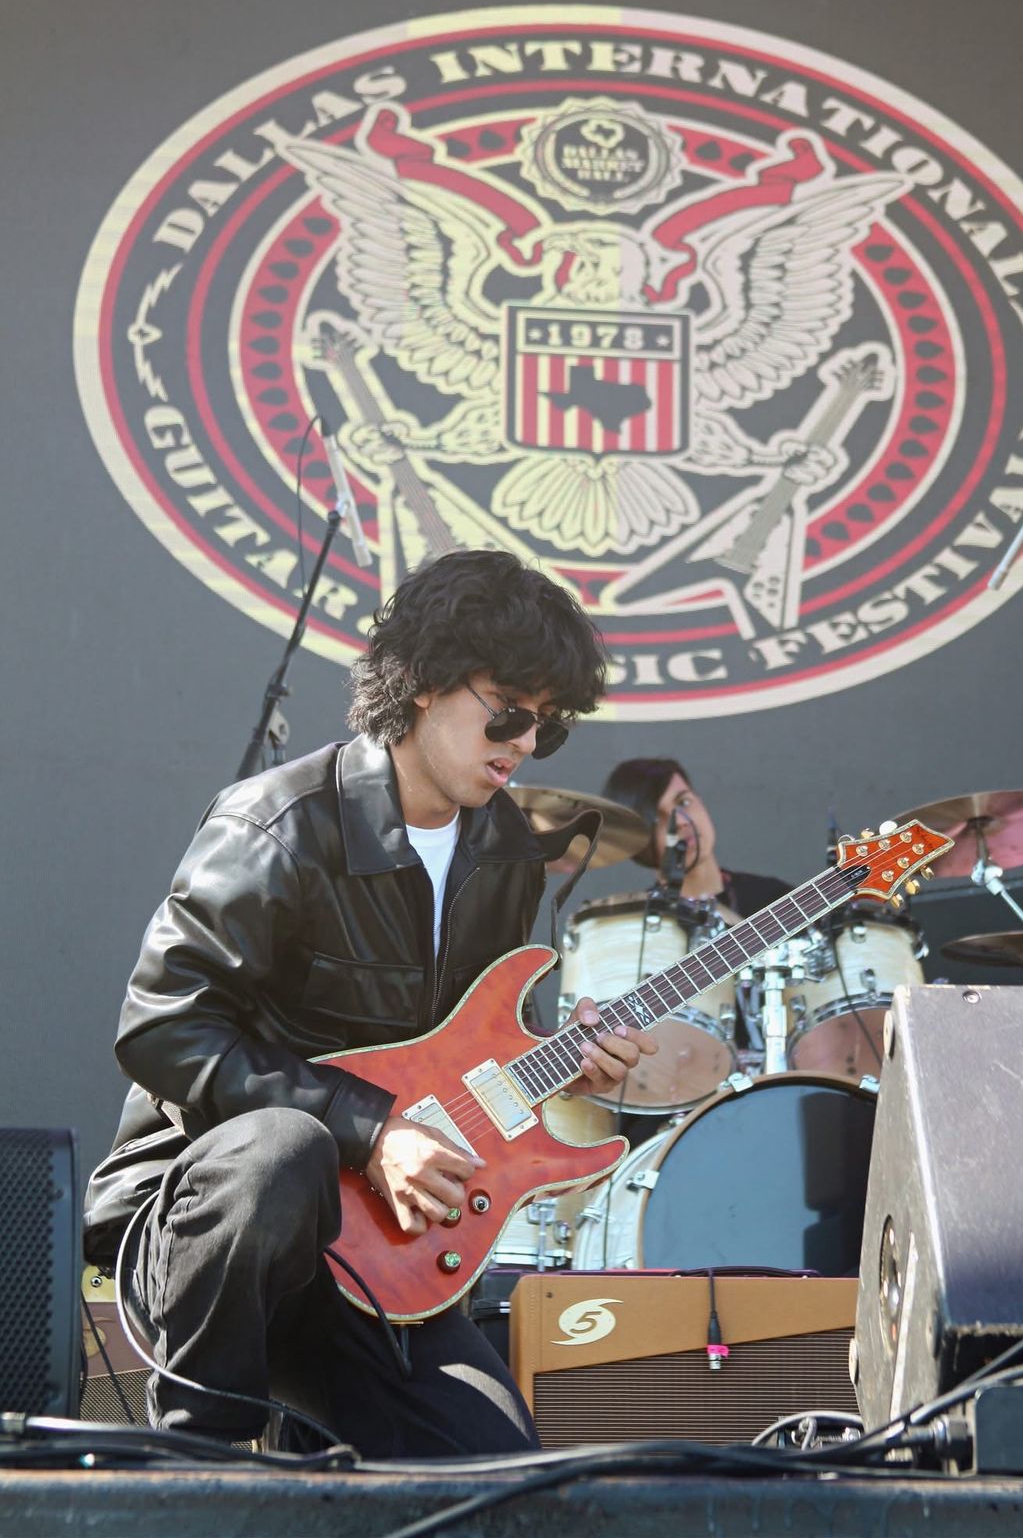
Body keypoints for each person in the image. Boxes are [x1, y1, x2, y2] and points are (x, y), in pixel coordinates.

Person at [83, 550, 656, 1457]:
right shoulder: (276, 824)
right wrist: (372, 1130)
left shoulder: (507, 853)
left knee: (505, 1480)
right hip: (215, 1228)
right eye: (508, 710)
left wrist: (560, 1062)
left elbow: (459, 1056)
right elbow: (164, 1028)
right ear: (426, 681)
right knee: (284, 1150)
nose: (521, 743)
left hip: (380, 1258)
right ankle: (196, 1465)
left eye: (546, 727)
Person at [602, 756, 790, 919]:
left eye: (684, 802)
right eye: (658, 818)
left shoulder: (776, 898)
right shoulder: (638, 930)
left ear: (700, 801)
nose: (681, 821)